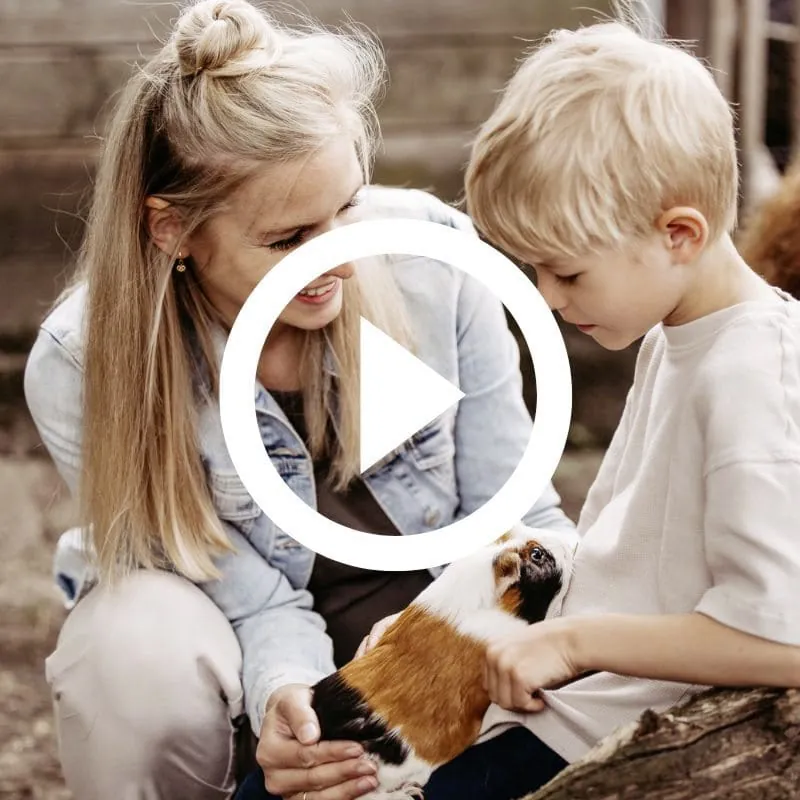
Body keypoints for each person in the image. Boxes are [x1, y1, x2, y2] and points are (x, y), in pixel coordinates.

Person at [22, 1, 575, 798]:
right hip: (248, 663)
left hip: (427, 644)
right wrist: (294, 698)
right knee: (128, 644)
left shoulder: (431, 260)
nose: (343, 260)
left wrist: (454, 662)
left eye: (348, 208)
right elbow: (243, 597)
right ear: (170, 229)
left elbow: (516, 519)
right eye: (287, 240)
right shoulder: (84, 363)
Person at [461, 14, 800, 769]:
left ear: (678, 234)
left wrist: (575, 643)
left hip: (612, 740)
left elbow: (785, 637)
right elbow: (623, 562)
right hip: (573, 703)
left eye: (567, 272)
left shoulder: (751, 377)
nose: (547, 298)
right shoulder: (674, 337)